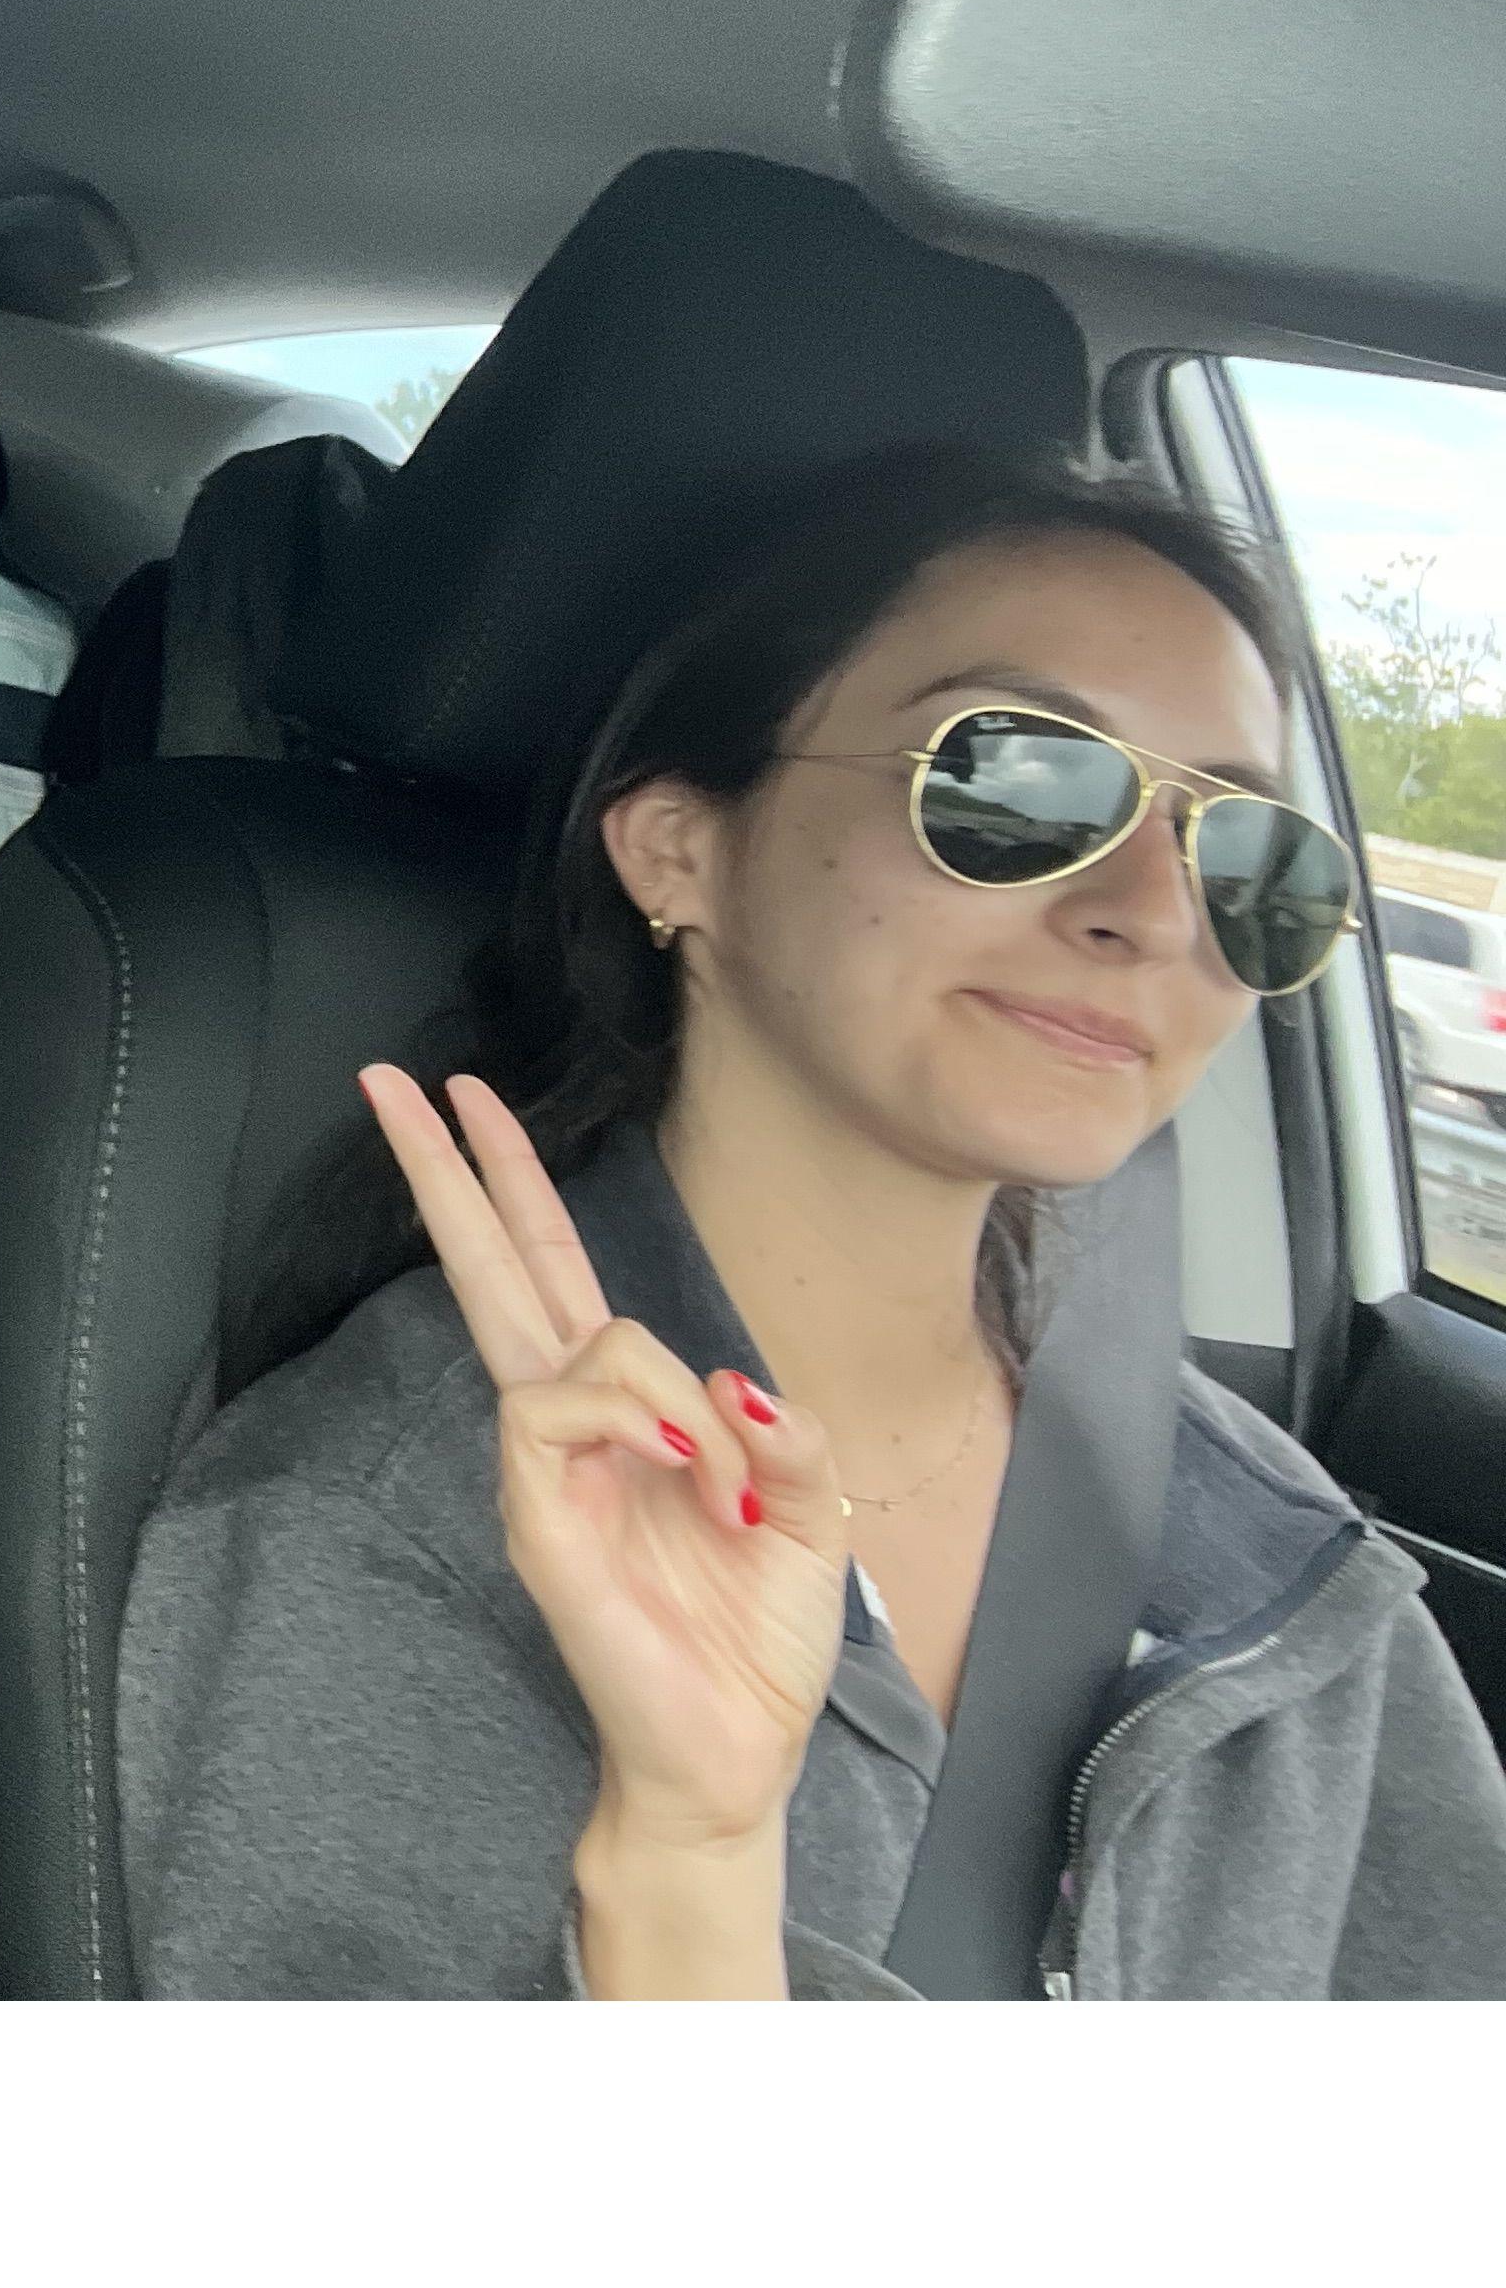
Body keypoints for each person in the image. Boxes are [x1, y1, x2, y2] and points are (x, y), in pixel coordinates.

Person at [117, 442, 1506, 1997]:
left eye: (1250, 856)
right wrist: (687, 1863)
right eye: (1017, 777)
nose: (1156, 910)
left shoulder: (1286, 1567)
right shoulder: (383, 1524)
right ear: (678, 847)